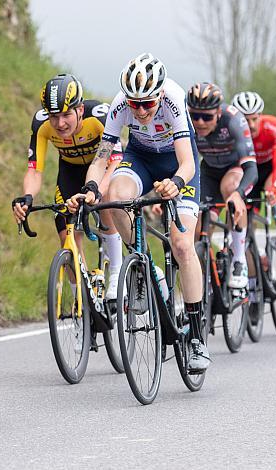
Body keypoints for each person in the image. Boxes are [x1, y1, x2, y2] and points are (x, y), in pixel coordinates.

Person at [67, 53, 209, 372]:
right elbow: (103, 156)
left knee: (183, 244)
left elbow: (188, 162)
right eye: (135, 104)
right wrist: (91, 186)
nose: (141, 110)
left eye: (147, 103)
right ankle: (143, 266)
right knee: (115, 196)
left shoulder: (174, 100)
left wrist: (175, 183)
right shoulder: (121, 106)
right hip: (141, 157)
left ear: (159, 94)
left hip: (178, 165)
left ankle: (197, 337)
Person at [11, 74, 123, 298]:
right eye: (54, 116)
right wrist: (27, 197)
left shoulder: (99, 116)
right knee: (65, 234)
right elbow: (34, 169)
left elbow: (115, 161)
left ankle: (117, 277)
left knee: (107, 201)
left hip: (103, 167)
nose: (60, 124)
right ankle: (81, 300)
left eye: (66, 115)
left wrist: (97, 191)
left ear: (80, 110)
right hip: (70, 172)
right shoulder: (41, 124)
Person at [188, 82, 258, 289]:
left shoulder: (234, 120)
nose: (200, 122)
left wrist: (238, 194)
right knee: (198, 228)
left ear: (218, 112)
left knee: (230, 188)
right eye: (195, 116)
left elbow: (251, 168)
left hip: (234, 168)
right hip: (208, 170)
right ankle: (205, 285)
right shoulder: (185, 121)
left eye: (207, 117)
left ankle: (239, 260)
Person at [231, 91, 276, 270]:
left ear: (260, 115)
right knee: (247, 222)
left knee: (273, 192)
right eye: (245, 120)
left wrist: (275, 188)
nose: (250, 125)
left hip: (270, 169)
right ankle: (253, 276)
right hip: (246, 172)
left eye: (254, 119)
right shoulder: (232, 132)